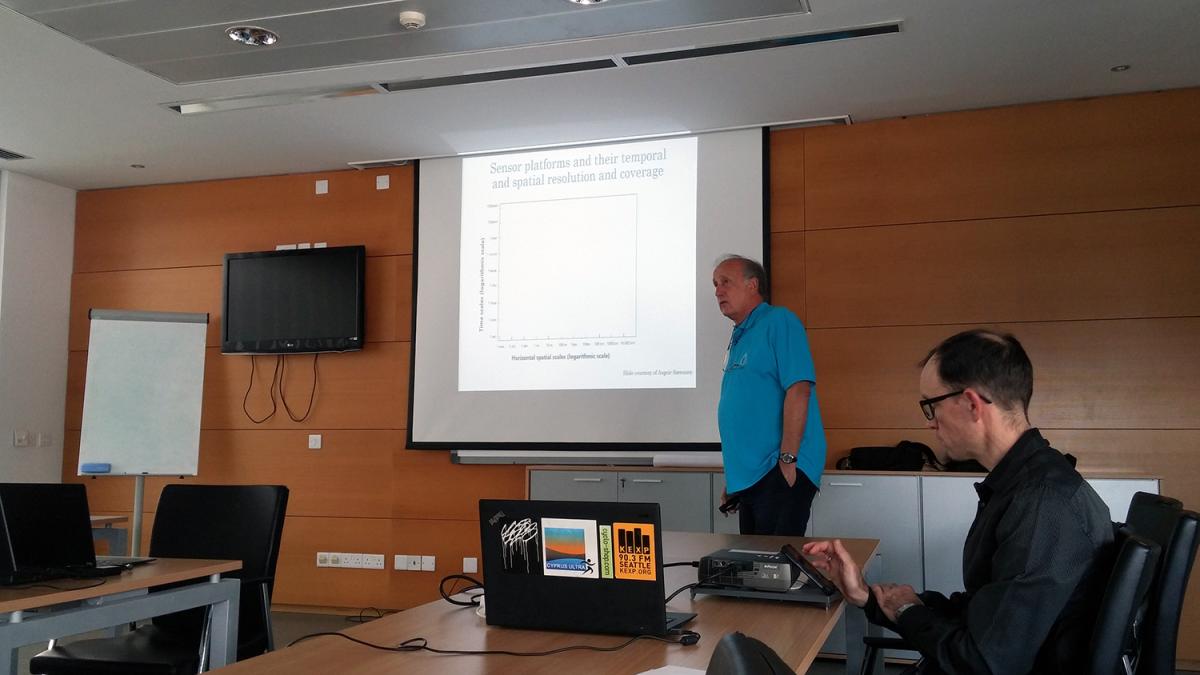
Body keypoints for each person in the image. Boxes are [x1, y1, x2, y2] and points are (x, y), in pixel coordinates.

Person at [803, 330, 1114, 674]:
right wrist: (868, 596)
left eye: (931, 406)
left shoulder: (1042, 505)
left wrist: (907, 611)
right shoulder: (1028, 485)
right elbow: (984, 615)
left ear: (971, 404)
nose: (930, 424)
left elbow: (985, 661)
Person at [713, 254, 825, 536]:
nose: (718, 291)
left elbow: (799, 389)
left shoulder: (778, 321)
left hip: (778, 468)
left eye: (725, 282)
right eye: (715, 284)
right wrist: (735, 478)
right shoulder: (740, 335)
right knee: (754, 560)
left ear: (752, 285)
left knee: (776, 560)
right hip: (750, 478)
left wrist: (787, 459)